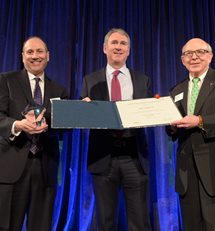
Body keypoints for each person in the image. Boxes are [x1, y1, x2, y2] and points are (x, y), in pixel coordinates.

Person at [81, 28, 152, 230]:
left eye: (123, 44)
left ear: (129, 51)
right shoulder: (90, 80)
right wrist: (84, 110)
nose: (118, 47)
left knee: (140, 222)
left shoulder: (142, 79)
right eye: (114, 43)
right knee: (105, 221)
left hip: (134, 156)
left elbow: (147, 114)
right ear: (105, 48)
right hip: (104, 157)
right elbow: (84, 118)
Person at [0, 36, 68, 230]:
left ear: (48, 56)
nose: (35, 56)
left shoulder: (59, 90)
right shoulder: (6, 80)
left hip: (45, 167)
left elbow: (65, 126)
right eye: (30, 52)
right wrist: (18, 125)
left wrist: (80, 110)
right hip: (11, 167)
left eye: (40, 52)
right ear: (22, 57)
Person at [168, 38, 215, 230]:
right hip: (187, 174)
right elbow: (174, 131)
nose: (194, 57)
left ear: (210, 56)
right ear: (182, 60)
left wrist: (201, 121)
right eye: (188, 53)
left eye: (200, 52)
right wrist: (170, 127)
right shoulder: (176, 90)